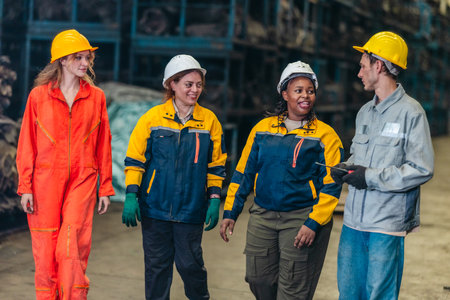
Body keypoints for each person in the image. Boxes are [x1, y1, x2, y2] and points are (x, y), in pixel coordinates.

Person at [220, 60, 344, 300]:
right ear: (285, 93)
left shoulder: (325, 136)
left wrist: (314, 222)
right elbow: (243, 173)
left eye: (310, 91)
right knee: (258, 279)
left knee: (293, 288)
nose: (305, 96)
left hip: (300, 218)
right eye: (298, 90)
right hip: (263, 215)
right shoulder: (263, 129)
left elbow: (332, 185)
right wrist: (230, 212)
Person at [331, 31, 434, 300]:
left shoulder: (411, 113)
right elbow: (359, 157)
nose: (359, 73)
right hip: (354, 221)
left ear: (379, 66)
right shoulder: (365, 112)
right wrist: (347, 168)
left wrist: (370, 176)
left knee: (379, 295)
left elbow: (422, 168)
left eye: (363, 66)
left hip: (386, 224)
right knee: (349, 292)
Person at [16, 29, 114, 299]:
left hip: (83, 179)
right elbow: (27, 143)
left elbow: (103, 145)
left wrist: (105, 187)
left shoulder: (96, 98)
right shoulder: (38, 97)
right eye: (79, 58)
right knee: (45, 254)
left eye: (87, 58)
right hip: (44, 182)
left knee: (70, 249)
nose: (85, 63)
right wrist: (25, 185)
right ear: (61, 60)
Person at [122, 54, 227, 299]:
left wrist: (213, 199)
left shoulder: (209, 122)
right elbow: (135, 159)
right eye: (188, 84)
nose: (195, 90)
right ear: (172, 84)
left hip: (191, 209)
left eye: (199, 85)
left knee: (190, 266)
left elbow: (216, 165)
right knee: (157, 269)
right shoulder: (152, 119)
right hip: (155, 208)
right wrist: (131, 194)